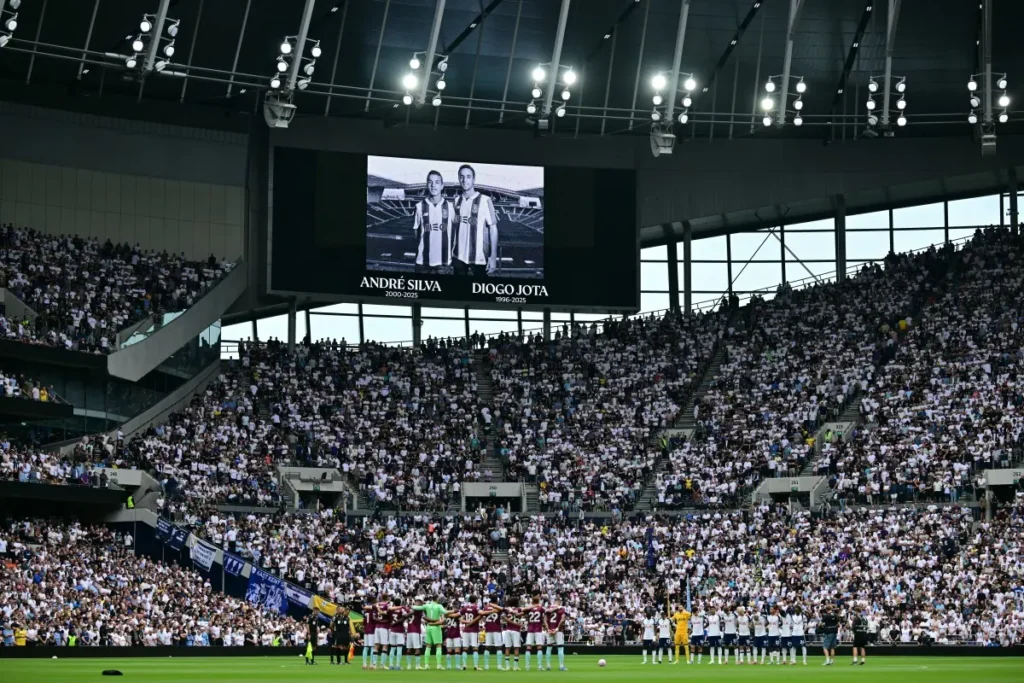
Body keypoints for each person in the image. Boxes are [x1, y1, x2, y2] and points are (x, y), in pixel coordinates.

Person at [452, 164, 498, 277]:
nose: (464, 180)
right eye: (461, 177)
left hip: (479, 259)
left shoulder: (485, 200)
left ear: (474, 179)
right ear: (459, 179)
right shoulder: (456, 201)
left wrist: (493, 257)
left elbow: (493, 229)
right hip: (458, 257)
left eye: (468, 176)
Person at [413, 170, 455, 274]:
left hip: (443, 262)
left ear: (442, 186)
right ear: (427, 185)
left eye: (437, 182)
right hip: (422, 262)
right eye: (430, 182)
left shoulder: (450, 207)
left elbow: (457, 232)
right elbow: (416, 233)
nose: (433, 185)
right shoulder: (419, 206)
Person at [412, 595, 447, 670]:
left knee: (428, 646)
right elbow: (445, 612)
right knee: (438, 646)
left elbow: (415, 607)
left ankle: (426, 665)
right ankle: (438, 665)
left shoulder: (427, 605)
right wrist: (454, 611)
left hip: (428, 627)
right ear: (437, 599)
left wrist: (410, 606)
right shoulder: (439, 606)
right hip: (436, 627)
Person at [522, 595, 546, 671]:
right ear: (538, 601)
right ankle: (539, 666)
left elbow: (523, 610)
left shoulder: (529, 608)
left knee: (528, 647)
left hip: (530, 630)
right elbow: (547, 611)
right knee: (539, 647)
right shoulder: (541, 608)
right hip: (538, 630)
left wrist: (532, 606)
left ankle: (527, 666)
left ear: (532, 601)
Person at [459, 595, 482, 670]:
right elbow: (481, 613)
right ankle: (476, 666)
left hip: (466, 630)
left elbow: (459, 617)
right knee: (475, 648)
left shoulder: (465, 608)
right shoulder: (476, 607)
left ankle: (464, 665)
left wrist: (466, 622)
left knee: (465, 648)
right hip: (474, 630)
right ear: (475, 601)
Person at [545, 598, 568, 671]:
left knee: (549, 648)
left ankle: (548, 666)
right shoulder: (561, 609)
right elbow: (562, 619)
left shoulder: (548, 608)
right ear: (559, 602)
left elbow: (544, 620)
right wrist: (557, 629)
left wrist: (548, 629)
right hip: (558, 631)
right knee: (560, 648)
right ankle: (561, 666)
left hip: (549, 630)